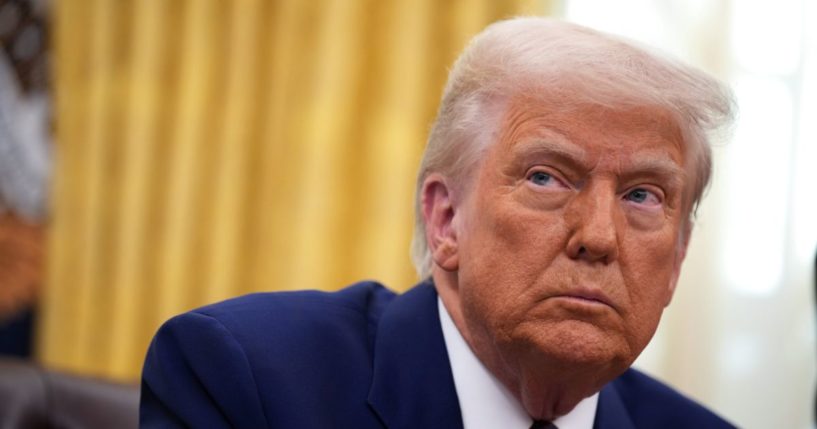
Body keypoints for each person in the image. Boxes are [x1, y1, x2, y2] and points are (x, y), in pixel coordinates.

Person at [140, 17, 736, 428]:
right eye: (546, 178)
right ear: (447, 219)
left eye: (642, 195)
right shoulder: (249, 382)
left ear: (678, 258)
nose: (599, 237)